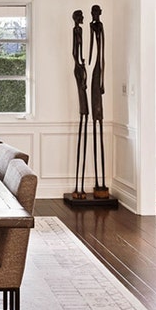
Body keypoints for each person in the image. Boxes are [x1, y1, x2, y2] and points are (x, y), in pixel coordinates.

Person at [89, 5, 107, 194]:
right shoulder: (90, 28)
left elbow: (99, 55)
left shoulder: (98, 27)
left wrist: (101, 80)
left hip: (96, 72)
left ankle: (100, 183)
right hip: (90, 71)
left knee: (98, 115)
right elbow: (89, 54)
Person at [71, 10, 89, 197]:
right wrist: (80, 65)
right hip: (80, 69)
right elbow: (74, 52)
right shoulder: (77, 31)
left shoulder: (87, 29)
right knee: (84, 110)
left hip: (82, 69)